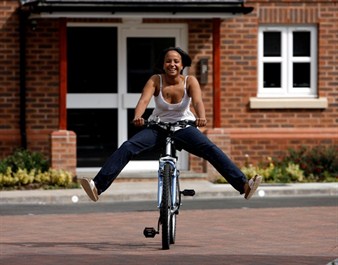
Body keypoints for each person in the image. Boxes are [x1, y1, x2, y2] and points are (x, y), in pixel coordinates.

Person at [80, 47, 262, 202]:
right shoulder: (155, 80)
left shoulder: (190, 81)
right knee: (128, 147)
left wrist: (201, 117)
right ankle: (98, 187)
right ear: (163, 64)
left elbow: (198, 102)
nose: (172, 64)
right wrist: (138, 116)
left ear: (182, 65)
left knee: (211, 149)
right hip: (157, 128)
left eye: (176, 61)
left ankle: (244, 186)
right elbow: (143, 100)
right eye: (168, 61)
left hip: (184, 128)